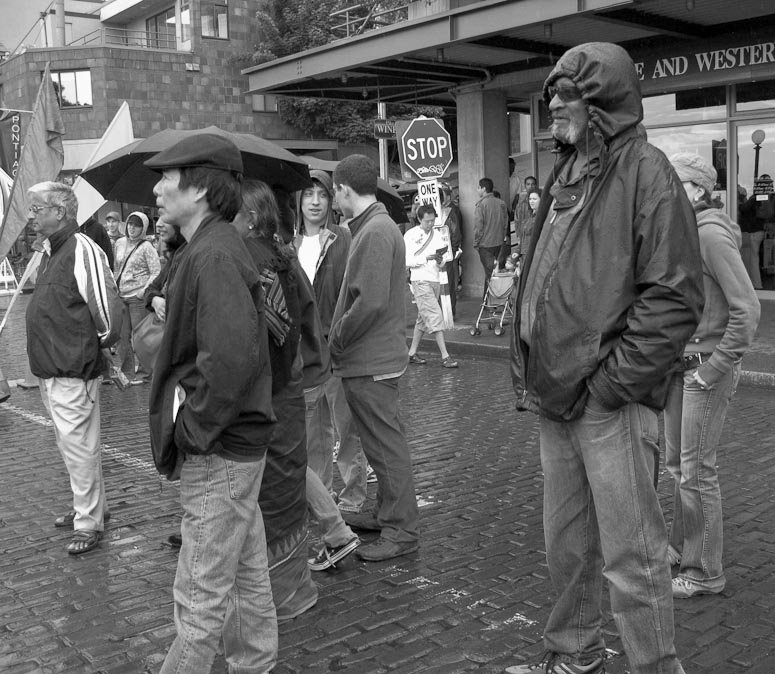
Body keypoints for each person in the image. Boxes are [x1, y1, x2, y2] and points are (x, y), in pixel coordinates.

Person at [507, 43, 705, 674]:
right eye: (552, 94)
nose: (553, 105)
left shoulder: (646, 172)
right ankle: (575, 653)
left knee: (632, 556)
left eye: (568, 94)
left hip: (605, 401)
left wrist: (613, 384)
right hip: (555, 393)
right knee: (567, 546)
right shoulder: (567, 171)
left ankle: (655, 666)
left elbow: (674, 296)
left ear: (603, 102)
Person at [146, 133, 277, 673]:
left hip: (221, 449)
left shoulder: (215, 253)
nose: (156, 189)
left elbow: (227, 361)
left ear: (199, 189)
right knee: (246, 581)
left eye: (166, 178)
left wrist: (192, 431)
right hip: (233, 445)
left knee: (199, 603)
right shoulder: (209, 247)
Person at [664, 153, 760, 599]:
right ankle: (682, 549)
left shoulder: (710, 234)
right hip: (680, 366)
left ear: (699, 189)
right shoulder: (684, 229)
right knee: (678, 467)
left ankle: (704, 571)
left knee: (696, 472)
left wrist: (713, 369)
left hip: (703, 370)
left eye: (676, 182)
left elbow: (748, 309)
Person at [330, 154, 420, 562]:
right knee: (381, 443)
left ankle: (401, 529)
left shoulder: (375, 231)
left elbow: (368, 303)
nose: (333, 201)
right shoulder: (375, 227)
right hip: (371, 358)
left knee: (385, 447)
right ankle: (389, 515)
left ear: (343, 189)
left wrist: (337, 338)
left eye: (334, 192)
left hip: (371, 359)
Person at [25, 181, 121, 555]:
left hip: (71, 367)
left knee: (79, 446)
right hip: (53, 366)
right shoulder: (51, 251)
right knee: (73, 446)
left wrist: (96, 349)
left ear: (60, 211)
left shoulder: (82, 249)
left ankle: (88, 521)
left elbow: (107, 312)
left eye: (37, 209)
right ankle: (91, 508)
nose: (31, 216)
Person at [293, 169, 369, 518]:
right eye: (308, 195)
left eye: (322, 195)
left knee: (346, 425)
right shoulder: (288, 245)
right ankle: (321, 498)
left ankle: (353, 496)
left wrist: (341, 332)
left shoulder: (343, 238)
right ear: (298, 200)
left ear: (332, 200)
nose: (315, 202)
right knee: (314, 432)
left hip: (337, 346)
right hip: (304, 351)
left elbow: (355, 291)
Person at [405, 203, 458, 368]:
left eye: (432, 220)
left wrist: (440, 261)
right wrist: (426, 258)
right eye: (427, 221)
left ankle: (411, 353)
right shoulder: (410, 235)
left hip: (434, 278)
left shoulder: (438, 235)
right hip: (420, 279)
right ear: (419, 219)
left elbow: (442, 262)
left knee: (423, 318)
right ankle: (445, 356)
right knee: (435, 314)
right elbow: (407, 260)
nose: (430, 224)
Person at [113, 211, 160, 383]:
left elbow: (156, 272)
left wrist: (144, 290)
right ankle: (127, 372)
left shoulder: (147, 247)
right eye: (130, 224)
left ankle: (144, 373)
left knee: (140, 336)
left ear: (143, 228)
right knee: (122, 336)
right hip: (121, 295)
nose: (132, 228)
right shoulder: (119, 243)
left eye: (137, 226)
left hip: (137, 297)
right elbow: (117, 267)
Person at [473, 177, 508, 297]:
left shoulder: (481, 205)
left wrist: (476, 243)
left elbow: (478, 227)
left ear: (483, 189)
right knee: (494, 273)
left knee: (490, 275)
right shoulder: (501, 203)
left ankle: (491, 301)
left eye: (478, 187)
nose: (477, 190)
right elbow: (505, 224)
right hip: (499, 243)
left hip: (485, 245)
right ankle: (488, 300)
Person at [440, 186, 462, 317]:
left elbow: (456, 234)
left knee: (448, 284)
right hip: (441, 256)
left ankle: (449, 312)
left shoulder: (450, 212)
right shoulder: (446, 213)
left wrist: (452, 251)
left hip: (447, 255)